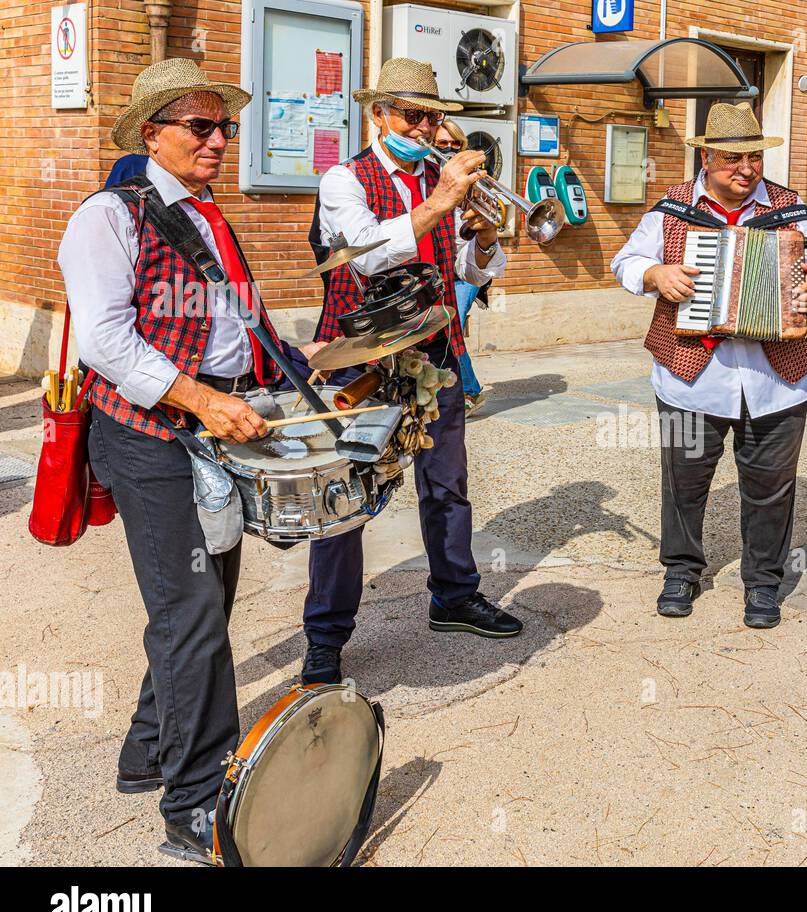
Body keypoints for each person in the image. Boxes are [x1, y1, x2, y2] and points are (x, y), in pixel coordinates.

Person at [58, 58, 281, 862]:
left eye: (225, 125)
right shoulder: (108, 217)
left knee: (202, 605)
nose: (220, 138)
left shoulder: (210, 211)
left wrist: (293, 368)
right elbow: (105, 340)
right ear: (152, 133)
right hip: (149, 434)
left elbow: (238, 317)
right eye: (201, 125)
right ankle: (192, 805)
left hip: (208, 421)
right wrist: (202, 398)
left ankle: (146, 752)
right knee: (192, 616)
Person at [300, 58, 519, 687]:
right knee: (343, 496)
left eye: (431, 115)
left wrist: (479, 238)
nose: (424, 126)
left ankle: (454, 594)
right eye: (411, 114)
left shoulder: (439, 179)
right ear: (379, 115)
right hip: (360, 356)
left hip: (437, 349)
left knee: (447, 483)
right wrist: (443, 199)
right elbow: (367, 254)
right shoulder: (344, 179)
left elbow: (474, 274)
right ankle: (325, 635)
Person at [610, 102, 807, 629]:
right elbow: (623, 262)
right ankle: (682, 570)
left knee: (770, 488)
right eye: (732, 159)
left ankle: (763, 584)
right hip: (689, 377)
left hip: (776, 380)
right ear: (706, 156)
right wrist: (656, 274)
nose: (746, 169)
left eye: (754, 159)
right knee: (684, 482)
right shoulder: (672, 210)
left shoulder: (790, 211)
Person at [433, 118, 490, 415]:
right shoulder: (429, 181)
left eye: (455, 144)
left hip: (466, 269)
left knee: (449, 324)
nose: (449, 149)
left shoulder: (472, 180)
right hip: (439, 269)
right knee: (446, 328)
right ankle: (465, 388)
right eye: (442, 144)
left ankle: (468, 390)